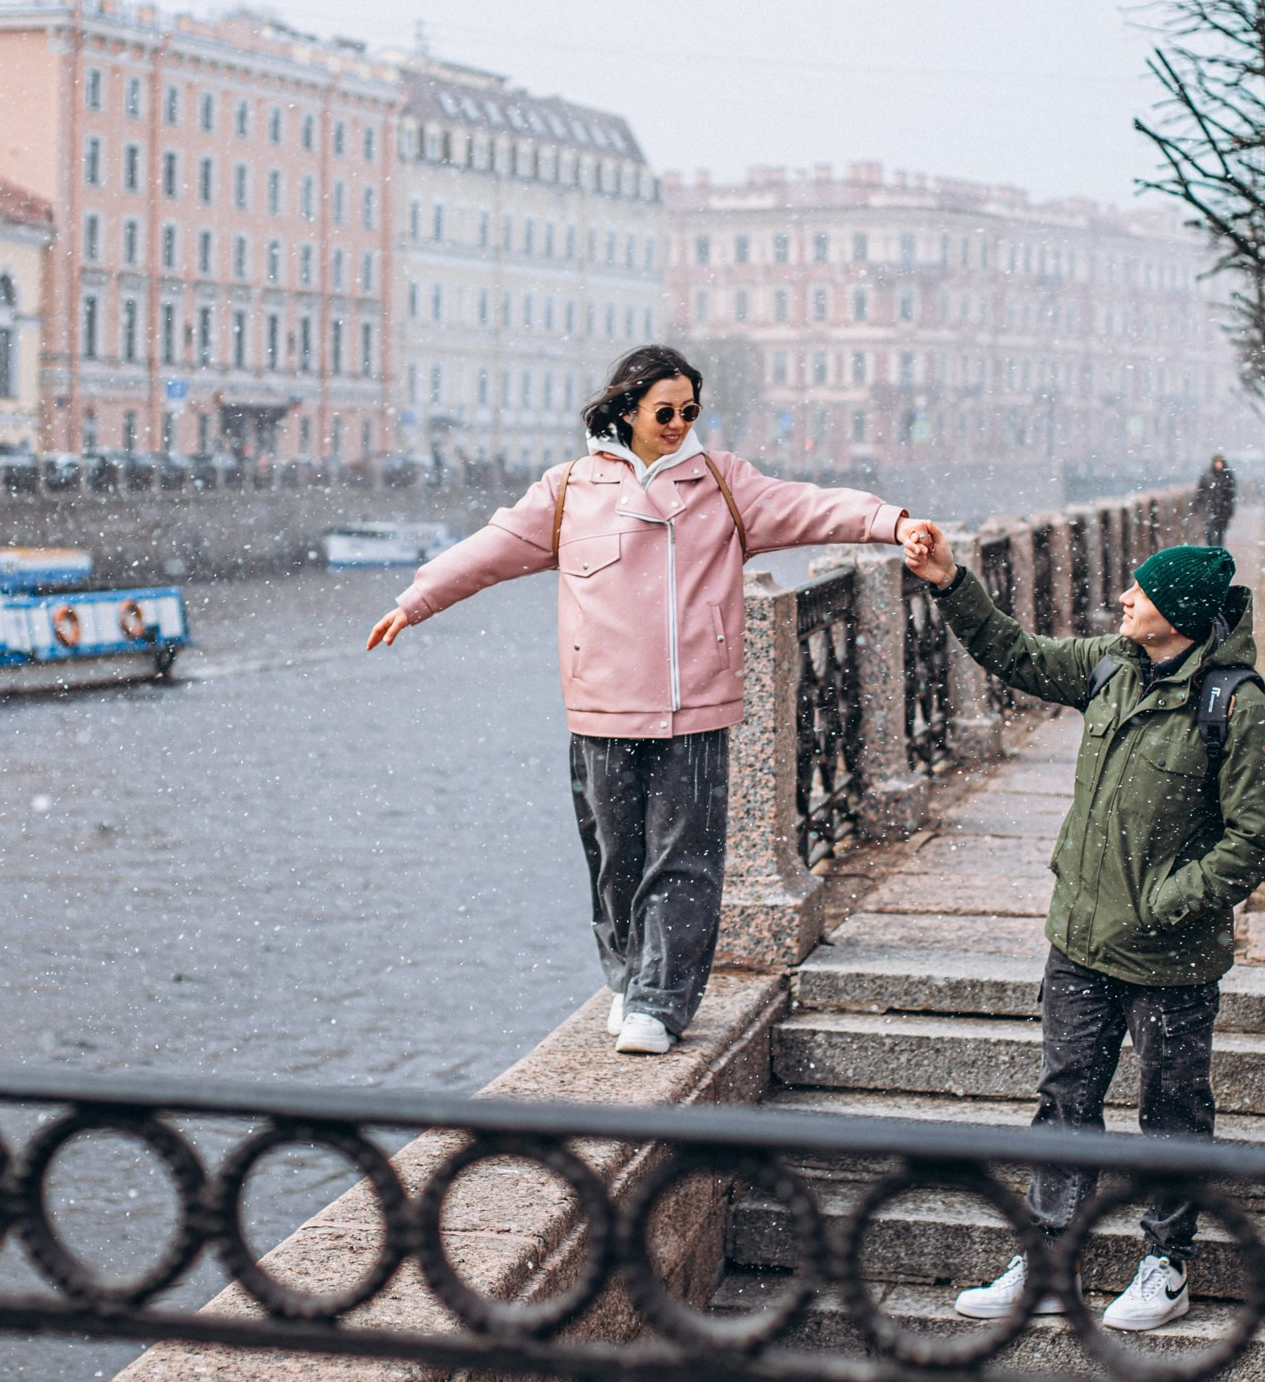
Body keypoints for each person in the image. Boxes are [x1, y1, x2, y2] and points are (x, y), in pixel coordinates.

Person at [369, 346, 931, 1055]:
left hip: (693, 703)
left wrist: (893, 522)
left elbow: (812, 506)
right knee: (614, 856)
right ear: (628, 408)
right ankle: (629, 979)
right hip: (601, 704)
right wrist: (416, 602)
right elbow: (489, 549)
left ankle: (660, 1004)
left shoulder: (723, 484)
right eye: (664, 411)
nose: (677, 423)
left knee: (684, 857)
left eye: (689, 412)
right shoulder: (570, 489)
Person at [896, 527, 1265, 1333]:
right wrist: (949, 582)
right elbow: (1015, 652)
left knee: (1171, 1111)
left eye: (1138, 592)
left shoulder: (1237, 708)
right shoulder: (1110, 669)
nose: (1123, 600)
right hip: (1077, 942)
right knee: (1065, 1101)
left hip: (1169, 956)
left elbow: (1256, 840)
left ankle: (1167, 1264)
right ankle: (1046, 1259)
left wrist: (1166, 900)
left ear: (1176, 613)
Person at [1196, 455, 1238, 548]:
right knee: (1209, 532)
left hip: (1223, 509)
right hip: (1210, 508)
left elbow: (1231, 494)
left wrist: (1229, 509)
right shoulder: (1207, 475)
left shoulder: (1227, 476)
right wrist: (1198, 504)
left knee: (1220, 533)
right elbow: (1201, 491)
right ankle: (1211, 549)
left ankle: (1218, 550)